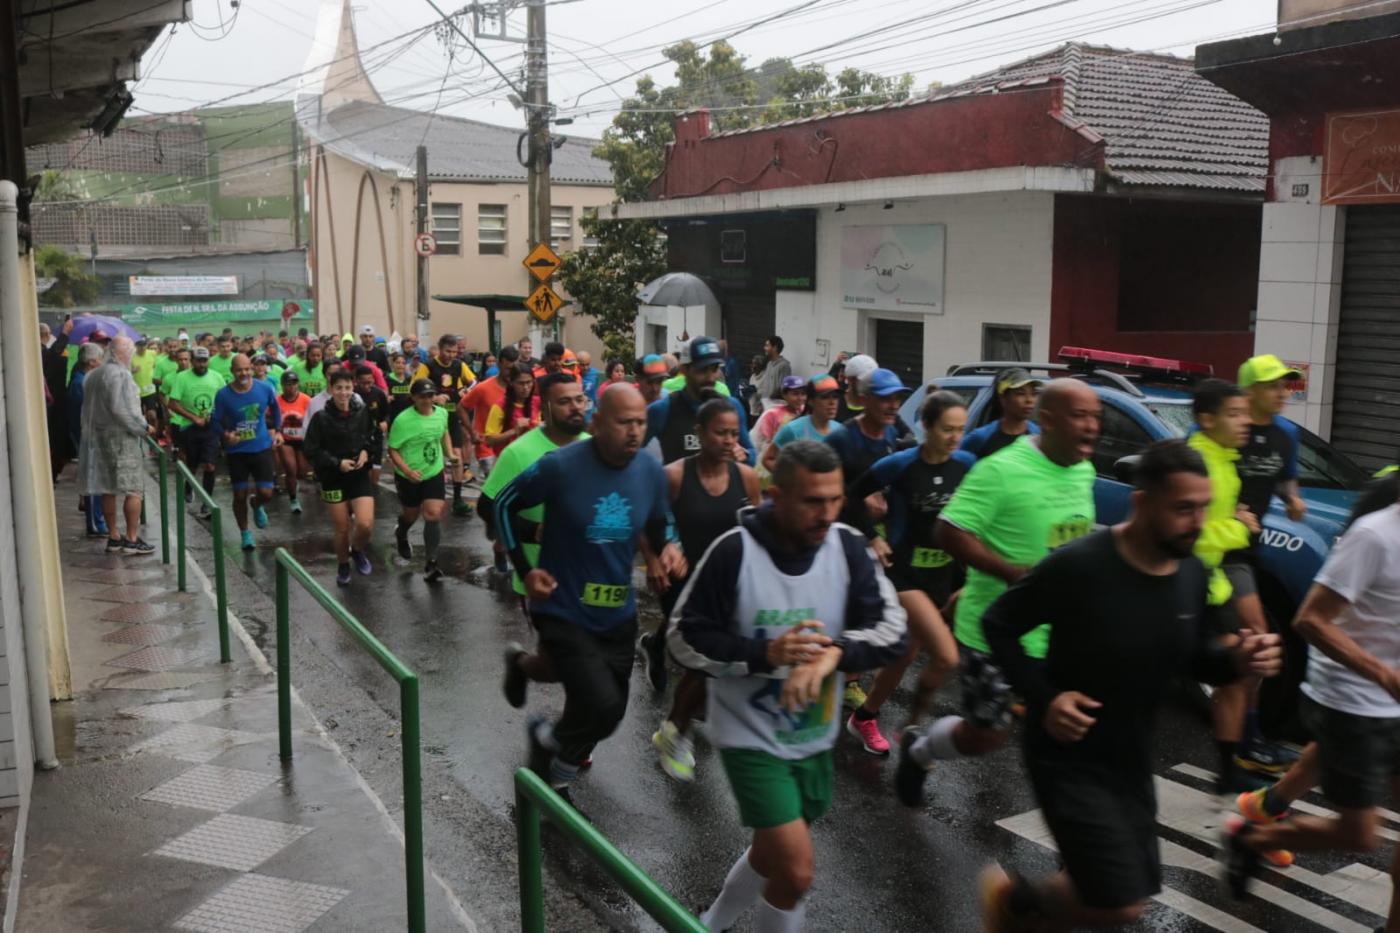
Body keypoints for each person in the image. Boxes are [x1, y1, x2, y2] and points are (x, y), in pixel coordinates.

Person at [978, 440, 1281, 930]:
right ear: (1142, 504)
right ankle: (1015, 905)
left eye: (1203, 507)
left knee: (1119, 889)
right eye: (1183, 509)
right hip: (1066, 754)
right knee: (1121, 903)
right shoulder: (1079, 565)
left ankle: (1026, 912)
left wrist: (1239, 660)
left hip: (1133, 760)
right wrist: (1046, 697)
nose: (1197, 522)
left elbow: (1199, 659)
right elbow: (999, 625)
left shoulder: (1191, 573)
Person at [668, 440, 908, 933]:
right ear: (775, 496)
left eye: (835, 500)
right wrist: (764, 654)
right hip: (749, 736)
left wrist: (835, 655)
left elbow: (892, 630)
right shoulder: (734, 552)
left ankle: (707, 925)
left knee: (768, 852)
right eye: (811, 501)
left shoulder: (847, 548)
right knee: (796, 871)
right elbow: (682, 639)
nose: (826, 514)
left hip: (813, 736)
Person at [897, 379, 1100, 798]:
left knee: (1070, 735)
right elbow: (948, 530)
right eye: (1080, 416)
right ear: (1047, 420)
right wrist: (1013, 575)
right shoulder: (1000, 470)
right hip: (995, 630)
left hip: (1061, 635)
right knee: (985, 736)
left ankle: (1076, 845)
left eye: (1096, 416)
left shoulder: (1084, 469)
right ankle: (920, 749)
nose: (1093, 426)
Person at [494, 384, 684, 798]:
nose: (634, 432)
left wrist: (667, 548)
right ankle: (553, 770)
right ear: (597, 424)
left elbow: (658, 520)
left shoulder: (649, 471)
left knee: (610, 713)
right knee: (596, 703)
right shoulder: (560, 466)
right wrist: (525, 570)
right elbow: (502, 504)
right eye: (623, 422)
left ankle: (545, 729)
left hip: (617, 612)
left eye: (640, 423)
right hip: (561, 605)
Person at [848, 391, 972, 756]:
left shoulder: (966, 464)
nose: (954, 438)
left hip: (941, 576)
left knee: (902, 656)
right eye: (947, 429)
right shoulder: (900, 464)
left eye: (960, 430)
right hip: (902, 574)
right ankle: (911, 726)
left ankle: (865, 716)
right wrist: (873, 537)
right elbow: (851, 496)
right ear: (927, 426)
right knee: (947, 656)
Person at [646, 398, 761, 783]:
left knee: (718, 666)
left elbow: (757, 529)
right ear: (699, 434)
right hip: (684, 582)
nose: (729, 440)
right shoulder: (674, 475)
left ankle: (681, 723)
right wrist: (663, 550)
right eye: (720, 432)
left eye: (734, 433)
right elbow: (650, 521)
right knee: (707, 659)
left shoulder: (746, 477)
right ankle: (675, 732)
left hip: (731, 583)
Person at [1224, 354, 1308, 781]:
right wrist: (1227, 510)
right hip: (1213, 549)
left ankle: (1247, 740)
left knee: (1249, 643)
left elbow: (1285, 476)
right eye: (1274, 386)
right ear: (1250, 391)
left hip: (1246, 548)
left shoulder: (1286, 435)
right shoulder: (1226, 426)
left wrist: (1292, 498)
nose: (1283, 393)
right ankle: (1247, 744)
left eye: (1286, 385)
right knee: (1257, 640)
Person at [489, 374, 592, 701]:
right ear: (545, 407)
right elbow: (490, 511)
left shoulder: (595, 446)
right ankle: (522, 664)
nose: (575, 407)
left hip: (592, 575)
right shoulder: (519, 454)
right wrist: (534, 532)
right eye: (565, 401)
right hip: (541, 577)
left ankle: (577, 747)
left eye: (579, 399)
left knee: (584, 663)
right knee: (567, 665)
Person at [1185, 378, 1259, 794]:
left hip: (1211, 588)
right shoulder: (1195, 461)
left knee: (1236, 673)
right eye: (1235, 414)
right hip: (1174, 591)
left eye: (1245, 413)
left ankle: (1228, 768)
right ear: (1207, 419)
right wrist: (1238, 527)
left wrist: (1235, 517)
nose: (1245, 421)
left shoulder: (1225, 459)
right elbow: (1188, 534)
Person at [824, 368, 911, 710]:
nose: (893, 405)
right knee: (850, 604)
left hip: (881, 536)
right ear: (864, 400)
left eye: (897, 398)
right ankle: (846, 678)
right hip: (842, 535)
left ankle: (846, 670)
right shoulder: (843, 439)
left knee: (872, 605)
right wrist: (869, 530)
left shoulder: (895, 433)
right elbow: (832, 488)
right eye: (885, 398)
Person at [78, 338, 156, 555]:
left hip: (99, 438)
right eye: (129, 351)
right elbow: (122, 409)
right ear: (122, 353)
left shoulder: (94, 375)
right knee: (133, 489)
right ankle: (131, 538)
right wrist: (144, 427)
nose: (131, 355)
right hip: (121, 439)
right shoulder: (120, 375)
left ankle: (113, 535)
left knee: (108, 489)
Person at [304, 369, 376, 586]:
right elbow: (311, 450)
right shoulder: (321, 418)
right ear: (331, 389)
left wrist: (366, 452)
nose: (344, 393)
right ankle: (343, 564)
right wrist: (337, 463)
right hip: (332, 477)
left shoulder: (362, 412)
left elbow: (372, 439)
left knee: (365, 523)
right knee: (342, 527)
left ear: (353, 388)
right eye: (339, 388)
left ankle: (358, 550)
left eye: (347, 388)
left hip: (358, 474)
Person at [645, 336, 755, 465]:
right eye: (702, 370)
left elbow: (751, 454)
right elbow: (629, 451)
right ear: (684, 370)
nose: (710, 377)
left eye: (714, 369)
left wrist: (744, 455)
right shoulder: (663, 409)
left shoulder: (732, 407)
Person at [212, 354, 282, 551]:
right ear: (232, 372)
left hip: (261, 448)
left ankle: (257, 504)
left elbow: (276, 409)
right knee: (239, 495)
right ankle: (245, 533)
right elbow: (215, 421)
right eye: (239, 370)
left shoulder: (265, 388)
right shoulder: (223, 395)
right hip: (237, 452)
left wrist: (276, 430)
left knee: (266, 493)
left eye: (246, 369)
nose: (243, 373)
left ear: (251, 368)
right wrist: (226, 435)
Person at [388, 379, 455, 582]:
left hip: (434, 471)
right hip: (409, 476)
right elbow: (393, 449)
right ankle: (401, 532)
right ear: (413, 398)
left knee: (433, 514)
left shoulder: (441, 413)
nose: (427, 400)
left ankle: (431, 563)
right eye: (422, 396)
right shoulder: (403, 420)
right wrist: (408, 471)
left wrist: (450, 454)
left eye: (430, 395)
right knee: (411, 514)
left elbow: (444, 433)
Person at [415, 335, 477, 515]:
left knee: (456, 456)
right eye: (447, 351)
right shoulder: (427, 367)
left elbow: (474, 382)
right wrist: (433, 398)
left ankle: (457, 500)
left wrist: (466, 391)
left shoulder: (460, 365)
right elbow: (415, 390)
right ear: (440, 348)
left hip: (451, 417)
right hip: (430, 417)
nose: (451, 355)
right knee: (432, 457)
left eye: (454, 352)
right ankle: (427, 496)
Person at [164, 347, 227, 518]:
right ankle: (188, 486)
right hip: (189, 427)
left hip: (210, 428)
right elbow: (173, 403)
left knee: (210, 465)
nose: (202, 364)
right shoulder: (182, 378)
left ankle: (207, 502)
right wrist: (193, 418)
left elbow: (224, 399)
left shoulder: (217, 377)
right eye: (198, 361)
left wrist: (215, 416)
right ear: (192, 361)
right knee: (192, 465)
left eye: (204, 360)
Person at [761, 375, 841, 475]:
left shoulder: (841, 431)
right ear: (811, 401)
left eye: (835, 397)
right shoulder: (793, 429)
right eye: (824, 397)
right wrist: (793, 482)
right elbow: (768, 459)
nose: (832, 402)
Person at [460, 345, 520, 478]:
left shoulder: (520, 388)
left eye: (514, 369)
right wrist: (471, 432)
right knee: (496, 486)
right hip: (487, 449)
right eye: (508, 369)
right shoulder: (483, 388)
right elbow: (462, 407)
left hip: (513, 447)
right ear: (499, 365)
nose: (511, 373)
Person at [959, 367, 1042, 460]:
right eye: (1020, 393)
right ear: (1003, 398)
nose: (1029, 400)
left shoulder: (1038, 436)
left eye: (1033, 394)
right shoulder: (981, 438)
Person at [69, 343, 108, 537]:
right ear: (92, 362)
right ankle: (95, 524)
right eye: (100, 359)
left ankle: (98, 521)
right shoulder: (81, 383)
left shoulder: (84, 380)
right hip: (90, 438)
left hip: (91, 436)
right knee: (94, 482)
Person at [752, 375, 807, 475]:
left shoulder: (804, 412)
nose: (800, 398)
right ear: (784, 394)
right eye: (795, 394)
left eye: (803, 394)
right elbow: (758, 441)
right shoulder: (772, 414)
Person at [483, 363, 540, 456]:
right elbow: (489, 441)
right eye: (521, 383)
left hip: (531, 457)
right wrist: (514, 431)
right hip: (508, 459)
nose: (525, 387)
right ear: (511, 382)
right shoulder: (500, 406)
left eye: (529, 382)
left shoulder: (537, 402)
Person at [274, 371, 310, 513]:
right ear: (282, 386)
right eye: (288, 384)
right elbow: (268, 419)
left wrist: (301, 418)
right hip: (285, 439)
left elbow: (314, 419)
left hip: (302, 438)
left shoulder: (306, 400)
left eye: (294, 384)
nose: (292, 387)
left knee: (302, 471)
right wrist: (281, 421)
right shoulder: (276, 401)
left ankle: (294, 484)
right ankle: (293, 499)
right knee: (290, 469)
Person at [354, 365, 390, 485]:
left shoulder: (378, 393)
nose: (366, 386)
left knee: (374, 477)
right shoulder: (352, 395)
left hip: (375, 436)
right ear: (356, 381)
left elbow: (386, 413)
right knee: (360, 473)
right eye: (363, 383)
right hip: (357, 438)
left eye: (369, 382)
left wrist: (385, 421)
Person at [750, 335, 792, 418]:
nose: (764, 348)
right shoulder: (769, 364)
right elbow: (766, 387)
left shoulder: (784, 366)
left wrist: (769, 402)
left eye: (767, 345)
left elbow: (783, 389)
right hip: (766, 408)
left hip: (775, 410)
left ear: (775, 347)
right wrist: (762, 403)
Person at [131, 337, 162, 433]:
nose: (142, 348)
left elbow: (158, 366)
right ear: (136, 346)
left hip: (150, 389)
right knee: (140, 417)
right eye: (140, 346)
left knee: (152, 415)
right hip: (136, 391)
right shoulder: (131, 356)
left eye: (144, 345)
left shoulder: (152, 353)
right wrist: (132, 371)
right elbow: (124, 372)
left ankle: (154, 437)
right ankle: (143, 437)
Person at [385, 351, 414, 424]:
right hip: (393, 415)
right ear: (393, 364)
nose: (400, 365)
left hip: (408, 414)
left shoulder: (409, 379)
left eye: (403, 363)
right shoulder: (387, 379)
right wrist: (387, 397)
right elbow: (383, 397)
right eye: (398, 362)